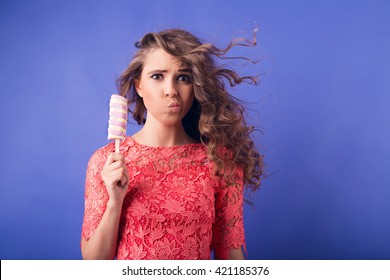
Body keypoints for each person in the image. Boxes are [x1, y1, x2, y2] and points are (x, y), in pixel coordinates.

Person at [81, 28, 263, 260]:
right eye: (157, 76)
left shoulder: (220, 161)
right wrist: (115, 202)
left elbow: (231, 258)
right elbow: (94, 264)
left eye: (183, 78)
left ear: (195, 86)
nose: (171, 91)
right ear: (139, 85)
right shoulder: (106, 162)